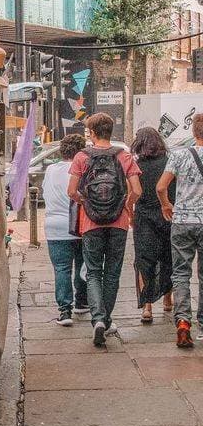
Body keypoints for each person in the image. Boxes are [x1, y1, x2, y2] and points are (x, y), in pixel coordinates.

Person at [68, 112, 141, 348]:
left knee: (92, 273)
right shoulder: (124, 156)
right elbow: (137, 191)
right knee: (112, 273)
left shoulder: (82, 157)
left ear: (91, 132)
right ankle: (106, 319)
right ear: (110, 131)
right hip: (118, 222)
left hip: (90, 223)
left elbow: (71, 191)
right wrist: (126, 205)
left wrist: (85, 203)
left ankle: (97, 318)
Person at [156, 112, 203, 348]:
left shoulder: (180, 155)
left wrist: (167, 205)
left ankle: (183, 323)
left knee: (181, 273)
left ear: (194, 132)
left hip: (183, 220)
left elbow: (161, 186)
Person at [42, 132, 88, 325]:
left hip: (54, 226)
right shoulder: (82, 169)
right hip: (79, 224)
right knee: (82, 266)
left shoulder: (51, 170)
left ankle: (64, 311)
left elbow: (45, 193)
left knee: (62, 269)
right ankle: (81, 301)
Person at [130, 126, 174, 323]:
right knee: (168, 257)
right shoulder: (169, 162)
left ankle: (147, 307)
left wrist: (129, 212)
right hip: (167, 215)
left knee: (144, 260)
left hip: (144, 217)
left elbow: (132, 193)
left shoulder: (136, 166)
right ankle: (167, 299)